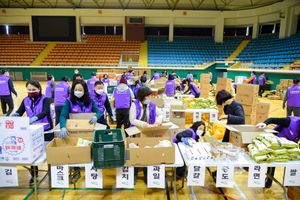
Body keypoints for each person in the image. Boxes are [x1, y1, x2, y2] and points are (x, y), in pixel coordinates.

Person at [58, 79, 103, 183]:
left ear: (85, 90)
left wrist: (96, 116)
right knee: (76, 151)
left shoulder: (90, 100)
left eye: (80, 89)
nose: (78, 91)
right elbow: (63, 115)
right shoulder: (68, 101)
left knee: (89, 150)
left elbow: (98, 111)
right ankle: (76, 172)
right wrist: (63, 127)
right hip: (75, 131)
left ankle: (91, 172)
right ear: (73, 90)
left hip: (87, 130)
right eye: (76, 89)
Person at [11, 79, 54, 185]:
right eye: (29, 89)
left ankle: (52, 175)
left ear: (39, 89)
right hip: (32, 132)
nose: (31, 91)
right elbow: (20, 111)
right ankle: (34, 176)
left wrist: (35, 118)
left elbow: (45, 111)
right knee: (32, 155)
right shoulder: (25, 100)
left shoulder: (45, 99)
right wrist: (16, 115)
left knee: (49, 154)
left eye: (33, 89)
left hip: (46, 130)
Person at [129, 86, 163, 184]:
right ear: (142, 96)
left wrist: (157, 123)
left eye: (150, 96)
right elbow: (132, 120)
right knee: (135, 153)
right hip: (135, 131)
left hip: (147, 132)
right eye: (147, 96)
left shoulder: (152, 104)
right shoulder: (134, 104)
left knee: (147, 152)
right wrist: (145, 124)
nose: (149, 98)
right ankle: (134, 174)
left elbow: (161, 114)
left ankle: (147, 174)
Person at [256, 116, 300, 188]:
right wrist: (264, 123)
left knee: (293, 161)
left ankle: (288, 181)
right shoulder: (288, 122)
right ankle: (269, 180)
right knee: (272, 162)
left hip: (290, 145)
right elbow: (272, 119)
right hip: (277, 142)